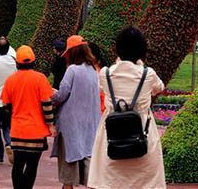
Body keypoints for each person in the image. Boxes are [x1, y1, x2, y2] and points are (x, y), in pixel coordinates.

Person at [87, 27, 166, 189]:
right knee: (145, 183)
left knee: (111, 182)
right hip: (142, 137)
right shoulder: (148, 74)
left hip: (112, 139)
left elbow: (101, 89)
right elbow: (160, 87)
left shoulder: (105, 74)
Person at [1, 45, 55, 189]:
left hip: (18, 129)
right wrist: (50, 124)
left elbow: (6, 105)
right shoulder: (40, 79)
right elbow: (47, 104)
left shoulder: (10, 80)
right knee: (32, 165)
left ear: (17, 63)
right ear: (33, 61)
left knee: (18, 165)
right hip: (37, 131)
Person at [51, 35, 101, 189]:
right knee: (88, 156)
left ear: (72, 53)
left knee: (69, 160)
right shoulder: (94, 70)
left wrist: (52, 93)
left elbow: (62, 94)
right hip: (91, 122)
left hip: (71, 123)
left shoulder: (72, 70)